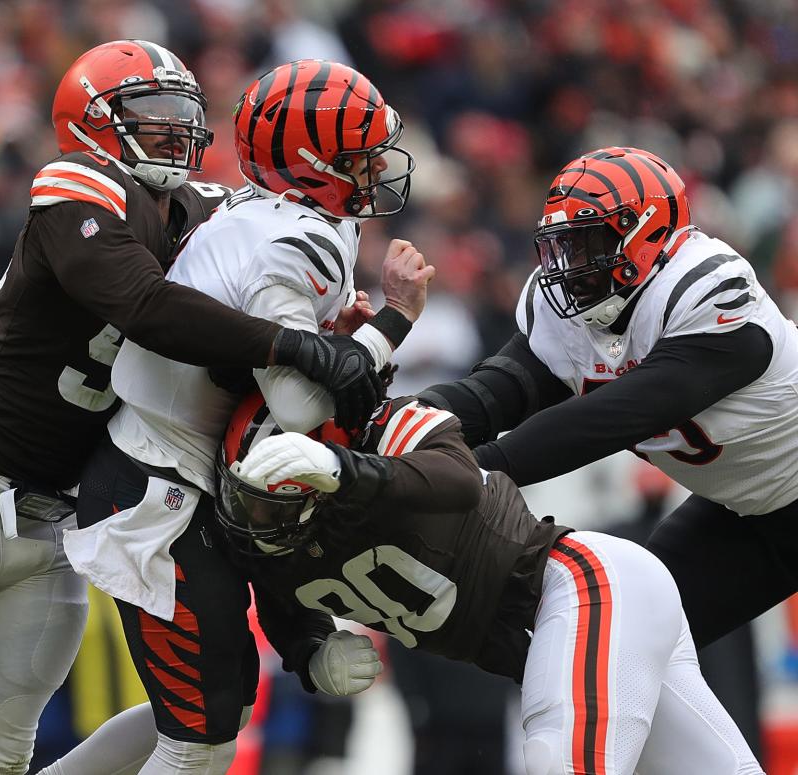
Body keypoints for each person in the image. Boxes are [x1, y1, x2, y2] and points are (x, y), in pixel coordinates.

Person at [0, 42, 383, 775]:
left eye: (181, 113)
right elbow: (143, 304)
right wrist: (294, 346)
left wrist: (326, 322)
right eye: (151, 114)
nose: (173, 130)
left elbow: (272, 248)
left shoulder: (203, 210)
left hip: (54, 513)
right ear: (91, 122)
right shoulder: (75, 183)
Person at [52, 59, 429, 774]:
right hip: (155, 489)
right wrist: (393, 322)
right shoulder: (294, 238)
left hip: (177, 473)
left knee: (206, 716)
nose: (378, 164)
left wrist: (340, 340)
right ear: (313, 164)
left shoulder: (275, 215)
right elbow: (298, 406)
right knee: (202, 733)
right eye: (359, 154)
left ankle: (303, 636)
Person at [214, 391, 764, 775]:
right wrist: (311, 653)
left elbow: (457, 479)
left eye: (270, 504)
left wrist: (346, 470)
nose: (253, 519)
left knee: (559, 763)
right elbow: (283, 609)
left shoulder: (385, 436)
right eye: (244, 498)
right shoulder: (269, 548)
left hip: (580, 585)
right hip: (580, 616)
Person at [417, 146, 798, 650]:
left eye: (587, 243)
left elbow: (611, 419)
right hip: (746, 510)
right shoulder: (574, 313)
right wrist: (397, 427)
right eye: (563, 247)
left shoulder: (707, 288)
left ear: (648, 234)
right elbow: (493, 395)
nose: (570, 266)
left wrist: (458, 476)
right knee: (622, 641)